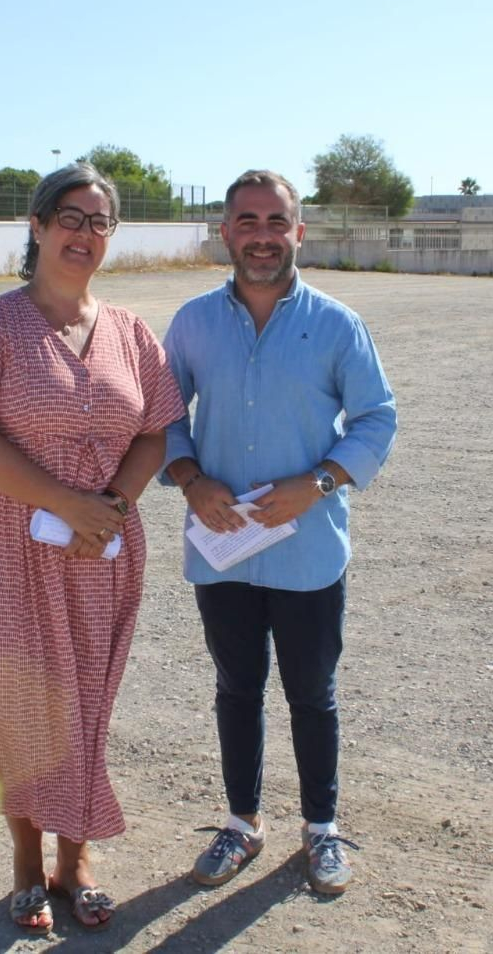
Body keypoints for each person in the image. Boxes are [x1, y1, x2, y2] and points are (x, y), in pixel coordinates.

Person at [0, 162, 184, 934]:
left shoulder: (130, 331)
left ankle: (77, 859)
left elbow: (156, 432)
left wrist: (112, 508)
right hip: (0, 541)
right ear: (36, 226)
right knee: (18, 702)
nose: (84, 233)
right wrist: (68, 504)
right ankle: (25, 863)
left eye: (100, 221)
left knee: (84, 700)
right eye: (70, 217)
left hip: (97, 547)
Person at [161, 169, 396, 897]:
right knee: (237, 689)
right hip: (224, 547)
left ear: (299, 232)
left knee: (311, 694)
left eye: (275, 222)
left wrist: (318, 482)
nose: (261, 236)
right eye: (247, 221)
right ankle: (242, 822)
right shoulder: (193, 323)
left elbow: (376, 418)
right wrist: (190, 478)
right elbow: (161, 416)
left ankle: (321, 829)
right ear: (226, 232)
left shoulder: (336, 324)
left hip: (307, 551)